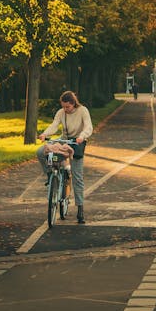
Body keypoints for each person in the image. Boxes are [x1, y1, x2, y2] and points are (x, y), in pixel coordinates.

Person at [37, 90, 93, 224]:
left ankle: (80, 209)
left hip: (77, 142)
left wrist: (82, 136)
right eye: (63, 106)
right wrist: (45, 134)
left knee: (77, 177)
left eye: (67, 107)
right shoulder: (61, 112)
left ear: (73, 103)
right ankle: (50, 174)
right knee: (41, 152)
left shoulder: (83, 111)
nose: (65, 109)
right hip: (64, 140)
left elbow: (88, 126)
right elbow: (54, 125)